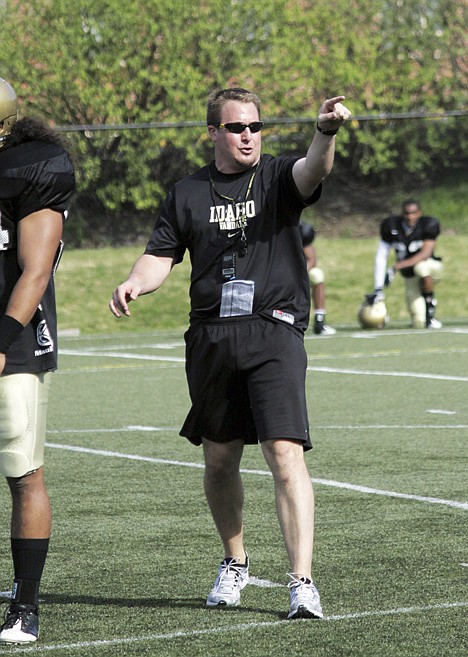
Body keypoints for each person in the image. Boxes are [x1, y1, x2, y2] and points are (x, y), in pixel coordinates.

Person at [110, 87, 350, 619]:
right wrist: (134, 282)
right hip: (212, 335)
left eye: (255, 127)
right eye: (237, 127)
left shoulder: (276, 177)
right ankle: (235, 560)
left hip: (273, 329)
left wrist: (325, 131)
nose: (248, 136)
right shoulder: (187, 191)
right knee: (219, 460)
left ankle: (302, 581)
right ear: (213, 132)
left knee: (284, 452)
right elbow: (160, 255)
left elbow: (313, 170)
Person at [0, 78, 75, 644]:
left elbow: (36, 269)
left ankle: (25, 605)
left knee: (22, 469)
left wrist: (2, 340)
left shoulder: (32, 168)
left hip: (15, 340)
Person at [371, 199, 443, 329]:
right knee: (419, 323)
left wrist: (396, 267)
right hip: (410, 275)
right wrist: (378, 288)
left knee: (422, 268)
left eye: (413, 213)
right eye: (407, 213)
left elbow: (425, 254)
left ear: (419, 213)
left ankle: (430, 314)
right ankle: (424, 318)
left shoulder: (428, 224)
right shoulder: (391, 226)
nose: (410, 217)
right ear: (402, 213)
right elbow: (381, 256)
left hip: (431, 267)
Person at [300, 222, 336, 335]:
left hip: (297, 271)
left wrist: (300, 274)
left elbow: (311, 260)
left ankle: (319, 321)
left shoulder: (300, 231)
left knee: (317, 275)